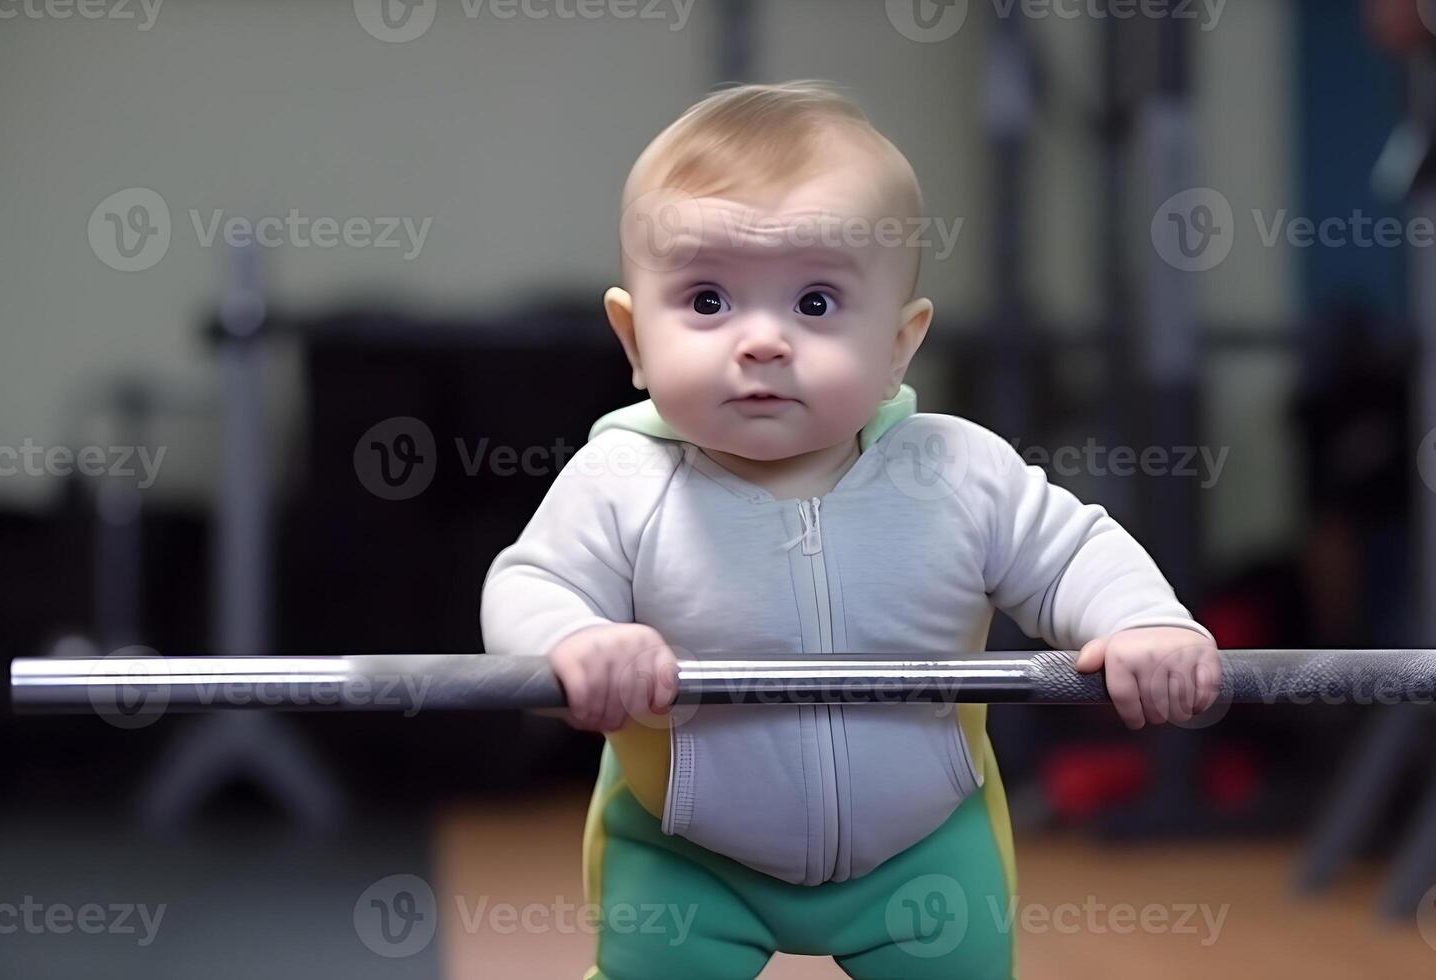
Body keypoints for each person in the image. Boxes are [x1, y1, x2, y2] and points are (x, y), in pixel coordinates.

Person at [480, 80, 1220, 979]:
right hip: (686, 852)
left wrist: (1142, 622)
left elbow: (1074, 556)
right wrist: (573, 643)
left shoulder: (956, 470)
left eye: (817, 304)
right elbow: (530, 584)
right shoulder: (621, 480)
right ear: (633, 339)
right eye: (708, 301)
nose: (761, 342)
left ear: (900, 346)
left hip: (922, 847)